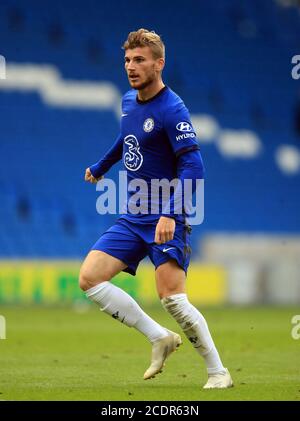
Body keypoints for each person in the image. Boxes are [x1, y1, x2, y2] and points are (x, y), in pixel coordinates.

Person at [79, 29, 233, 389]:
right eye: (128, 61)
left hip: (166, 214)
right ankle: (159, 337)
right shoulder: (129, 102)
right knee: (89, 278)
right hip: (133, 215)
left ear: (159, 63)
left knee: (173, 300)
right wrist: (101, 167)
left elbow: (194, 167)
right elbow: (126, 138)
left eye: (140, 60)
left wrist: (171, 213)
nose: (131, 67)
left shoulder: (172, 109)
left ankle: (218, 372)